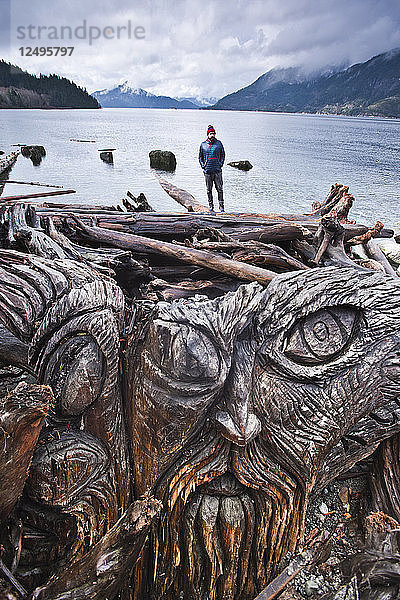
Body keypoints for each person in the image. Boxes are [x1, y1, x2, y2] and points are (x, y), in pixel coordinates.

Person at [198, 124, 225, 213]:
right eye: (210, 133)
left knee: (220, 189)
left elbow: (223, 155)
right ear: (207, 135)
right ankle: (211, 207)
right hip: (208, 171)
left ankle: (221, 208)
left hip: (217, 171)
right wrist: (203, 165)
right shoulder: (203, 145)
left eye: (213, 133)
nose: (212, 135)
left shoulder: (219, 143)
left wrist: (220, 164)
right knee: (209, 190)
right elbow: (200, 157)